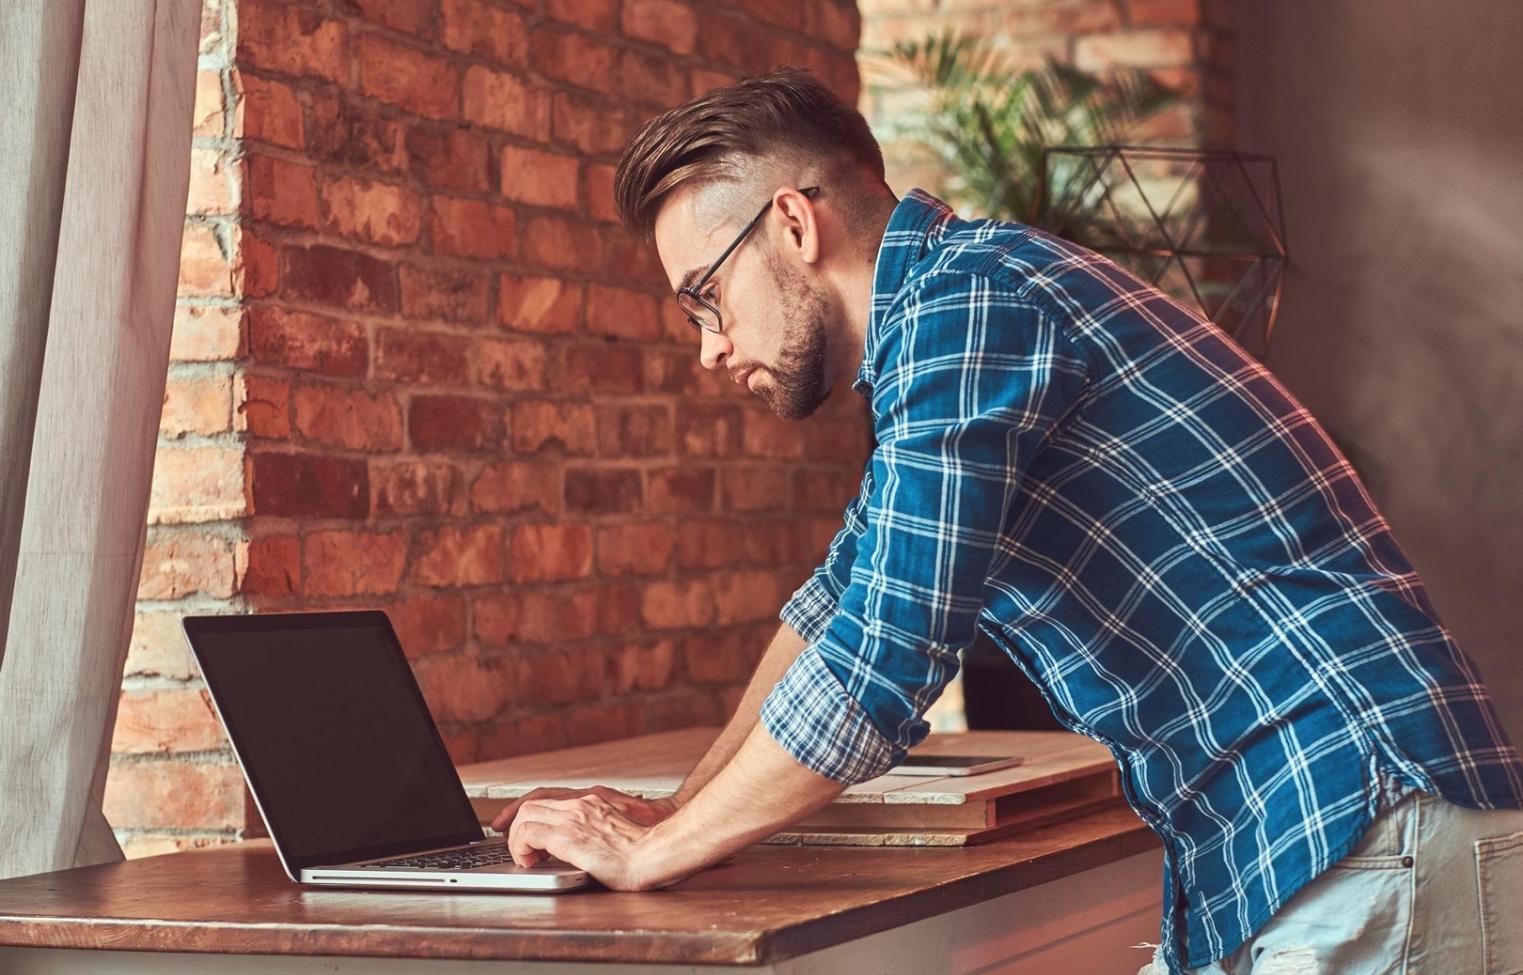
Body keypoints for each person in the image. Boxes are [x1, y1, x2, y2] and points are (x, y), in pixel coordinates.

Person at [493, 69, 1523, 974]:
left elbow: (881, 659)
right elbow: (837, 606)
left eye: (704, 297)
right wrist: (676, 812)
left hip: (1356, 813)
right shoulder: (945, 321)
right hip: (1303, 836)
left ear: (794, 226)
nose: (709, 347)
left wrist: (655, 853)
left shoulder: (968, 301)